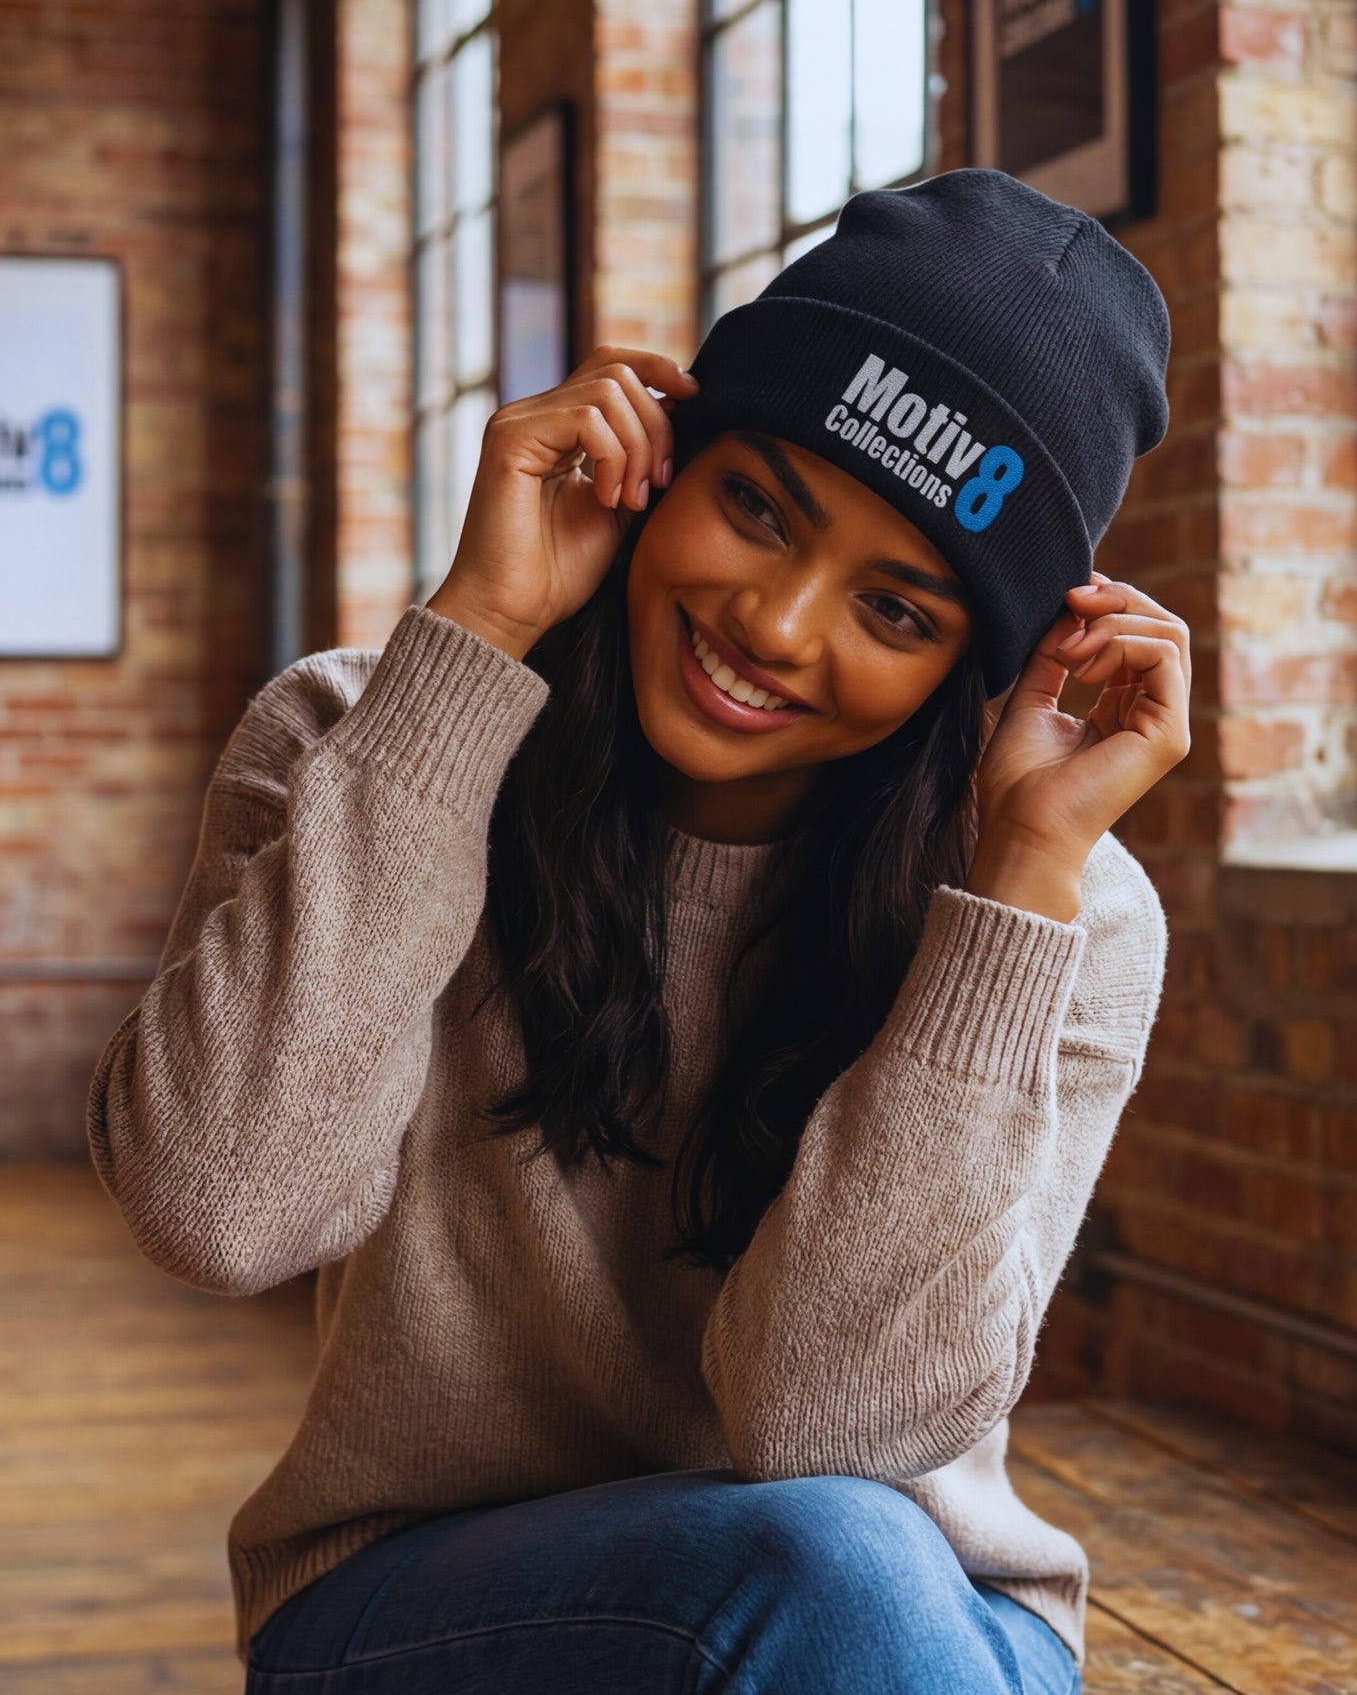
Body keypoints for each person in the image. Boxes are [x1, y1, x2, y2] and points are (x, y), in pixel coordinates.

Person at [89, 169, 1187, 1694]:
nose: (777, 626)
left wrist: (1012, 891)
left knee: (844, 1571)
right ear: (663, 456)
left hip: (904, 1620)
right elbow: (221, 1204)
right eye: (755, 507)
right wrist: (475, 632)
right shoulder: (356, 729)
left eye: (896, 609)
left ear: (977, 672)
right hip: (426, 1599)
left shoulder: (1057, 903)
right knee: (833, 1574)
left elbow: (832, 1425)